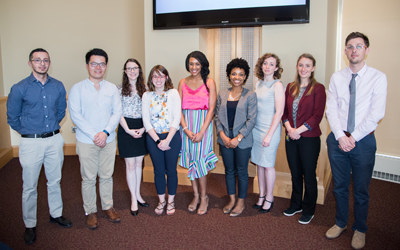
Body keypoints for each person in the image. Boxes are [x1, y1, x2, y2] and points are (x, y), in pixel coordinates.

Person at [325, 32, 387, 249]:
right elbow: (331, 110)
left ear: (366, 50)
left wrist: (352, 138)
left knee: (361, 189)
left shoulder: (378, 78)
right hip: (337, 140)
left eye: (358, 46)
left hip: (363, 142)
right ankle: (340, 222)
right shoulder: (337, 77)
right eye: (350, 46)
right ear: (345, 51)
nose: (354, 50)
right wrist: (341, 137)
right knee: (340, 186)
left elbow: (375, 115)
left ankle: (360, 228)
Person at [6, 48, 72, 245]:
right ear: (30, 63)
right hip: (30, 142)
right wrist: (28, 131)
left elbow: (61, 111)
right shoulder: (19, 88)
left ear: (49, 63)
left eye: (45, 60)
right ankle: (30, 224)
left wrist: (50, 130)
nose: (42, 64)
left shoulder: (58, 86)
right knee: (30, 186)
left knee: (55, 180)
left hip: (53, 140)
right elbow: (12, 118)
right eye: (37, 60)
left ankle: (56, 214)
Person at [68, 48, 122, 229]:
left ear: (106, 66)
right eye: (94, 63)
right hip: (86, 140)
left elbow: (117, 113)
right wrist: (94, 135)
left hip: (108, 140)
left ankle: (108, 206)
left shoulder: (112, 88)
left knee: (107, 175)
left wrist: (105, 133)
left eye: (102, 64)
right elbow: (76, 115)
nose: (98, 67)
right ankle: (90, 211)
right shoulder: (77, 88)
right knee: (88, 178)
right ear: (87, 66)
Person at [281, 53, 326, 225]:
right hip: (291, 136)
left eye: (307, 66)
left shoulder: (318, 88)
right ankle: (296, 204)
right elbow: (284, 113)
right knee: (295, 174)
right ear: (297, 67)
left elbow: (317, 116)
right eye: (301, 65)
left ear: (313, 68)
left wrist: (297, 131)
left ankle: (309, 209)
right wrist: (289, 129)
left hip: (309, 139)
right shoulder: (290, 87)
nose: (303, 69)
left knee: (308, 174)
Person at [215, 58, 257, 217]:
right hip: (225, 139)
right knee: (229, 170)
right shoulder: (222, 94)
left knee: (242, 171)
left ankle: (241, 201)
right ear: (229, 76)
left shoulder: (250, 95)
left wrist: (238, 138)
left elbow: (252, 119)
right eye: (234, 74)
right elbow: (217, 117)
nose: (237, 77)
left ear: (245, 77)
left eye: (241, 74)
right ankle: (232, 199)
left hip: (242, 140)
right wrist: (223, 136)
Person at [178, 51, 218, 215]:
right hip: (186, 127)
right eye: (191, 63)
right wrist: (186, 130)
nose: (194, 67)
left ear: (202, 65)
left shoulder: (210, 82)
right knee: (192, 162)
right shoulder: (182, 82)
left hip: (203, 127)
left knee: (200, 162)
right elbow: (177, 109)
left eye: (197, 64)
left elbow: (211, 109)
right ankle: (195, 195)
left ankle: (204, 197)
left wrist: (201, 132)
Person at [142, 65, 182, 216]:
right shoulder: (147, 96)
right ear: (151, 79)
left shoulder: (173, 93)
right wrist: (159, 141)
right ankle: (161, 201)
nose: (158, 79)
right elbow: (146, 121)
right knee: (158, 171)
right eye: (155, 76)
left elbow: (177, 118)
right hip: (154, 138)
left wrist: (167, 140)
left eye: (161, 76)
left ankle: (170, 201)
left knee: (171, 170)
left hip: (172, 137)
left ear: (166, 78)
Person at [251, 53, 285, 213]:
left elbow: (279, 113)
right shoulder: (258, 83)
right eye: (265, 63)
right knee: (259, 163)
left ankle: (270, 197)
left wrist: (269, 134)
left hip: (270, 129)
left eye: (271, 64)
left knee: (268, 165)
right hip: (256, 129)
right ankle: (261, 195)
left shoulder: (277, 85)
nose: (267, 66)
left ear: (276, 68)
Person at [117, 58, 148, 216]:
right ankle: (133, 199)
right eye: (129, 68)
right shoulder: (119, 89)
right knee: (130, 165)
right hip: (125, 128)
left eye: (135, 68)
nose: (132, 71)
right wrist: (128, 130)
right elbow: (117, 112)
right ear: (125, 71)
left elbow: (150, 113)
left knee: (139, 163)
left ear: (139, 70)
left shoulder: (146, 89)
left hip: (142, 127)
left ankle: (138, 194)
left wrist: (144, 128)